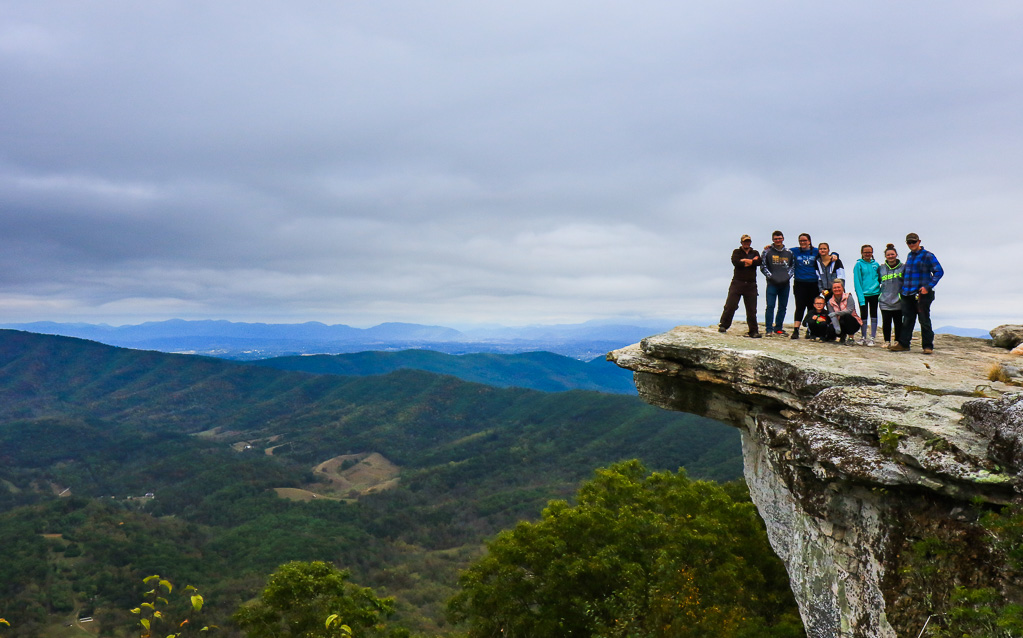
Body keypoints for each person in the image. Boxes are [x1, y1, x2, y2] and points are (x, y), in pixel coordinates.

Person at [890, 233, 944, 354]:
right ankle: (904, 344)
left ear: (919, 241)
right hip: (907, 293)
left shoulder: (928, 256)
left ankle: (927, 346)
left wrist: (928, 287)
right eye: (909, 242)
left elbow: (939, 271)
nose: (911, 244)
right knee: (908, 320)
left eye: (913, 242)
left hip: (922, 294)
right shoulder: (910, 256)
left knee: (924, 320)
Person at [718, 234, 763, 338]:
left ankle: (753, 331)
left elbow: (759, 262)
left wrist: (746, 261)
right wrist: (751, 261)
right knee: (730, 305)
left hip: (751, 284)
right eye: (744, 241)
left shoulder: (755, 252)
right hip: (737, 283)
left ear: (750, 242)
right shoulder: (736, 252)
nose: (746, 243)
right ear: (741, 242)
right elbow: (736, 263)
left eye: (748, 241)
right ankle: (723, 325)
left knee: (751, 310)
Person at [760, 230, 793, 336]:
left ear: (783, 238)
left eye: (779, 238)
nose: (778, 240)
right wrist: (771, 277)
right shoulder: (767, 251)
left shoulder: (789, 252)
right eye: (775, 239)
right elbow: (763, 266)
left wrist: (787, 276)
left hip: (785, 284)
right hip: (772, 283)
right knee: (770, 306)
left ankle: (778, 328)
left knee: (783, 306)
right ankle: (768, 329)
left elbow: (793, 267)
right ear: (772, 240)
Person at [790, 233, 819, 340]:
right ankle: (796, 330)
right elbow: (781, 251)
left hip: (813, 283)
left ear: (809, 241)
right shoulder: (794, 251)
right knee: (800, 306)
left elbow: (827, 253)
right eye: (800, 241)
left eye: (805, 240)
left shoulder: (816, 251)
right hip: (799, 283)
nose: (802, 243)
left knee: (812, 307)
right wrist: (769, 247)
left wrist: (835, 254)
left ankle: (810, 330)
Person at [877, 244, 904, 349]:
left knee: (898, 322)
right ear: (885, 256)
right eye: (888, 255)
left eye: (892, 254)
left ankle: (897, 341)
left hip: (898, 300)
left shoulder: (903, 267)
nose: (890, 256)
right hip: (884, 300)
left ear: (896, 255)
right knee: (886, 322)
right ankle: (887, 341)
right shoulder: (881, 268)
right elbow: (877, 281)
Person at [853, 244, 880, 346]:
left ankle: (872, 337)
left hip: (875, 293)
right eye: (866, 252)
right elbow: (857, 281)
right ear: (862, 253)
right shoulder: (858, 265)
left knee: (874, 315)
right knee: (863, 315)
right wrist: (860, 296)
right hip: (863, 294)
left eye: (869, 252)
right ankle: (863, 337)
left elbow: (880, 278)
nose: (868, 254)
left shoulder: (876, 264)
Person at [828, 280, 862, 344]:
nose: (837, 289)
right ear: (832, 289)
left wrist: (836, 313)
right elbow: (832, 316)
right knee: (831, 328)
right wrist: (837, 328)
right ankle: (842, 336)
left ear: (843, 288)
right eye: (834, 288)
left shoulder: (848, 297)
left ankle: (851, 338)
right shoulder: (830, 302)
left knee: (847, 316)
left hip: (853, 322)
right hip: (839, 322)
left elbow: (849, 311)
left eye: (838, 287)